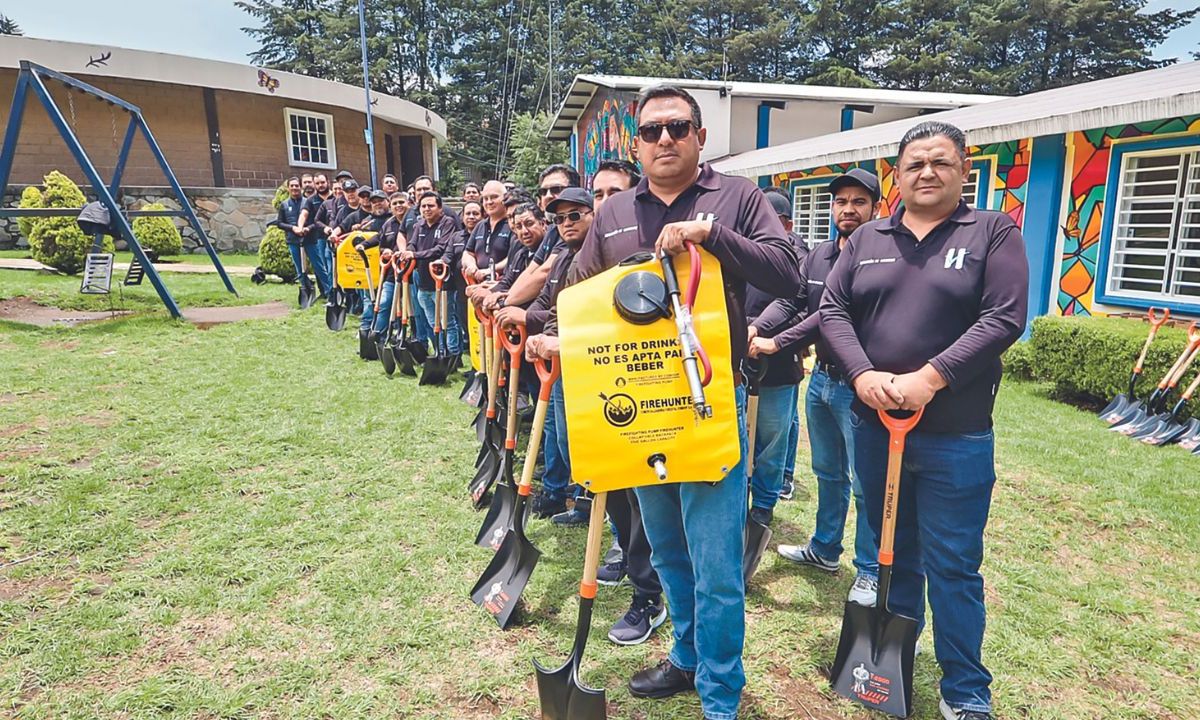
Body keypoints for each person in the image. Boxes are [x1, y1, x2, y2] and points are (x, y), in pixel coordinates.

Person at [537, 84, 800, 720]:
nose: (664, 139)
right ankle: (684, 657)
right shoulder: (615, 210)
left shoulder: (735, 197)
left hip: (709, 401)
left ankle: (720, 694)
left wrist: (713, 238)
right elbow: (578, 291)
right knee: (666, 548)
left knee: (715, 561)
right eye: (652, 130)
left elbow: (789, 271)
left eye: (678, 128)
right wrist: (551, 330)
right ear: (637, 142)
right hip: (633, 403)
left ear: (700, 138)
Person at [819, 121, 1028, 720]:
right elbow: (833, 309)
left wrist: (929, 377)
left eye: (940, 162)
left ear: (964, 167)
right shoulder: (868, 237)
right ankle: (893, 666)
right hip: (874, 427)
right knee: (891, 552)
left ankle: (965, 689)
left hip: (955, 436)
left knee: (954, 565)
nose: (927, 172)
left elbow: (1004, 317)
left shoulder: (991, 230)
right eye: (914, 164)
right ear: (898, 175)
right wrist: (863, 376)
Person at [750, 169, 884, 607]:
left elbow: (828, 312)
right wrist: (755, 329)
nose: (848, 209)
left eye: (858, 201)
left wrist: (777, 341)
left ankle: (869, 571)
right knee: (828, 472)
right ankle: (825, 549)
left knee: (866, 483)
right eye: (841, 201)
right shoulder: (820, 254)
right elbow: (791, 299)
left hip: (859, 386)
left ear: (876, 208)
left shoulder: (883, 255)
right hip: (822, 379)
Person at [400, 192, 459, 350]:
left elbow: (440, 249)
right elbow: (412, 243)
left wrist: (414, 254)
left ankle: (453, 355)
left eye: (431, 205)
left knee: (448, 323)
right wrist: (407, 252)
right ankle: (441, 353)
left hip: (442, 282)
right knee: (434, 324)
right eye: (423, 206)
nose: (427, 209)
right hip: (423, 283)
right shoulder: (419, 224)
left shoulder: (448, 223)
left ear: (440, 208)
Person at [357, 191, 409, 336]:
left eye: (401, 202)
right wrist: (365, 245)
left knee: (412, 310)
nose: (398, 206)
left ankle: (409, 336)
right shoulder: (389, 224)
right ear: (391, 206)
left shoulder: (415, 222)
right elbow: (379, 240)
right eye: (395, 203)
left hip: (410, 273)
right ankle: (377, 335)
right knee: (384, 303)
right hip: (392, 273)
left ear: (408, 204)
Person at [277, 176, 332, 297]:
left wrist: (307, 228)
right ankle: (305, 289)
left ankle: (328, 292)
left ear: (300, 187)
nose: (295, 188)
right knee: (300, 269)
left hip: (310, 239)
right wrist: (293, 228)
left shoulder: (307, 201)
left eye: (297, 185)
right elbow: (279, 223)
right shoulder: (284, 205)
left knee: (319, 266)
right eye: (292, 186)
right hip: (293, 240)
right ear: (288, 188)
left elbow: (315, 220)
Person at [462, 180, 512, 285]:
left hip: (504, 286)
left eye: (494, 197)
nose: (489, 202)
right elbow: (468, 252)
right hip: (478, 284)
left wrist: (491, 270)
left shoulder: (513, 225)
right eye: (485, 198)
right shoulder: (480, 225)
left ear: (505, 198)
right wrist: (472, 266)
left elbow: (514, 257)